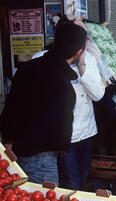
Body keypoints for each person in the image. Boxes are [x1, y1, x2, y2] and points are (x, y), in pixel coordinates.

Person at [0, 22, 88, 186]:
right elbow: (58, 124)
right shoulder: (62, 83)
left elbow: (11, 110)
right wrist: (61, 144)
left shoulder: (27, 68)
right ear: (78, 52)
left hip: (18, 152)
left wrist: (9, 141)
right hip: (41, 158)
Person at [33, 16, 105, 190]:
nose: (85, 42)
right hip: (63, 136)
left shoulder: (89, 60)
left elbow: (98, 95)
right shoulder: (42, 59)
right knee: (71, 183)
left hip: (87, 132)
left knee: (81, 177)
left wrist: (82, 67)